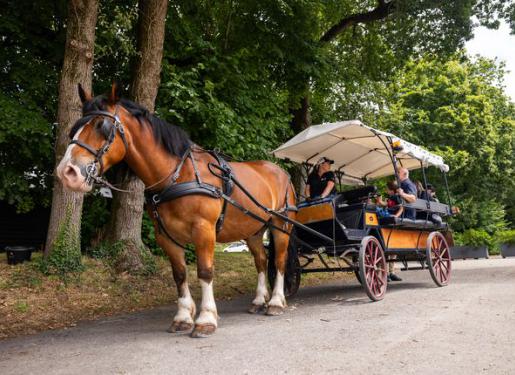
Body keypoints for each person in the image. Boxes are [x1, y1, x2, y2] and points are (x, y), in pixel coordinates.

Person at [375, 180, 403, 282]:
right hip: (388, 217)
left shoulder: (396, 197)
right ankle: (389, 273)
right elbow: (384, 204)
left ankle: (390, 272)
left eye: (387, 188)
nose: (386, 190)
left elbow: (401, 208)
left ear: (391, 189)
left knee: (391, 249)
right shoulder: (391, 198)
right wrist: (379, 201)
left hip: (392, 218)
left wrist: (396, 216)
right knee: (388, 249)